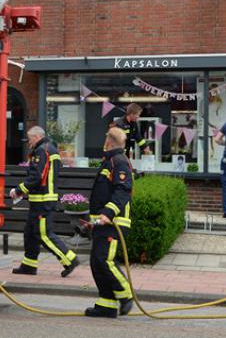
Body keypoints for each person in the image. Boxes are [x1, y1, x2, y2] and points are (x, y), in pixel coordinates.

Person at [10, 126, 79, 277]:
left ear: (36, 137)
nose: (28, 143)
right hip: (40, 200)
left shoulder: (42, 150)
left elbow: (37, 177)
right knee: (30, 233)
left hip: (43, 201)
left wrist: (18, 190)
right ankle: (29, 265)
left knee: (43, 234)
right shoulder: (48, 149)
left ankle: (70, 259)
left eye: (29, 139)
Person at [85, 127, 134, 318]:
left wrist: (107, 214)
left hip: (114, 223)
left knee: (104, 260)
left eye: (105, 139)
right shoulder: (109, 162)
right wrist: (93, 220)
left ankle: (126, 294)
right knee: (96, 262)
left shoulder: (119, 162)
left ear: (109, 142)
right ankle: (106, 304)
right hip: (103, 222)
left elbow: (122, 191)